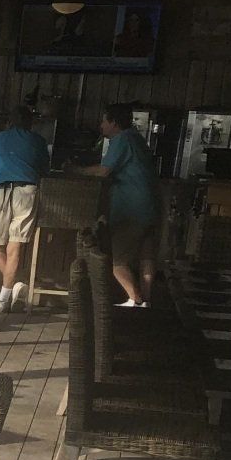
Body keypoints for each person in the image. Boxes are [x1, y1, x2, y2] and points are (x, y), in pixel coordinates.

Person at [82, 102, 161, 307]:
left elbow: (104, 171)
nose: (101, 125)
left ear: (114, 123)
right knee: (146, 257)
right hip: (150, 208)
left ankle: (135, 300)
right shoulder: (138, 139)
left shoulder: (121, 139)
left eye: (104, 121)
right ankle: (147, 301)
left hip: (131, 210)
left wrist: (76, 170)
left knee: (118, 262)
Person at [0, 106, 49, 312]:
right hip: (26, 191)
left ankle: (11, 289)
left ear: (9, 122)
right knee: (15, 246)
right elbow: (45, 169)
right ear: (30, 123)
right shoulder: (38, 140)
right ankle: (4, 298)